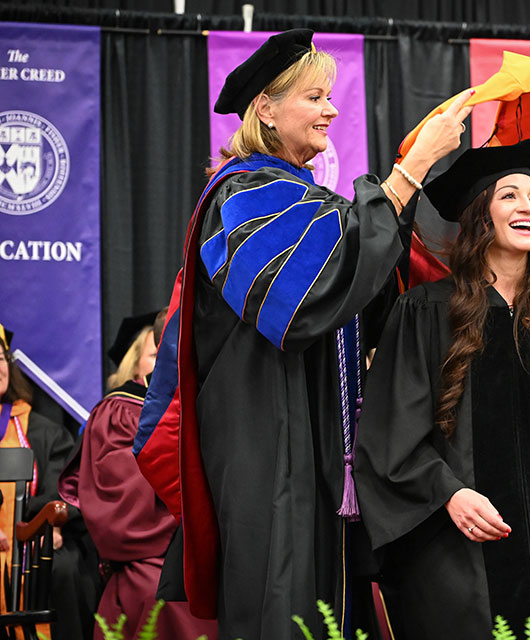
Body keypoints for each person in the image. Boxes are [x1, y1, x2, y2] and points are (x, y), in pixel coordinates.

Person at [133, 29, 472, 640]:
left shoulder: (300, 200)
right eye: (315, 97)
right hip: (267, 446)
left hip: (311, 449)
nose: (332, 111)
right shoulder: (239, 197)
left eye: (331, 98)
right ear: (265, 106)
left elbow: (355, 284)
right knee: (282, 608)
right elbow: (301, 301)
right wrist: (410, 170)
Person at [355, 139, 530, 640]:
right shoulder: (425, 313)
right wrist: (449, 493)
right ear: (479, 215)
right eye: (509, 195)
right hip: (452, 554)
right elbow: (389, 432)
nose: (528, 206)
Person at [59, 310, 218, 640]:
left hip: (204, 548)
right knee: (170, 591)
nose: (169, 358)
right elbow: (126, 515)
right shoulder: (120, 412)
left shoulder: (203, 402)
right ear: (134, 365)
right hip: (154, 557)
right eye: (156, 353)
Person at [0, 324, 100, 640]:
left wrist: (47, 524)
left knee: (62, 567)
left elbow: (66, 490)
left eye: (0, 357)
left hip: (29, 542)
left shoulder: (43, 431)